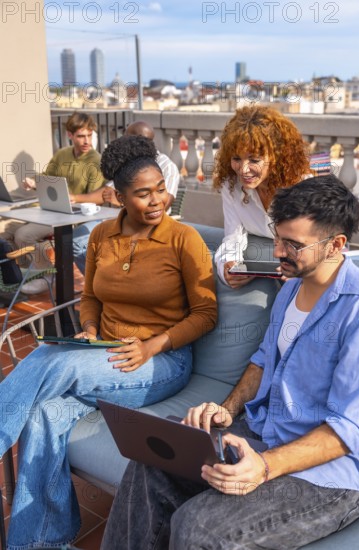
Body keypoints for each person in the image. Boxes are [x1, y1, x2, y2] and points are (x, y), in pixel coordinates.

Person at [101, 175, 359, 550]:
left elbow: (350, 429)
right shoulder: (290, 288)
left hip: (328, 475)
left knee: (198, 528)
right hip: (265, 433)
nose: (278, 252)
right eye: (278, 237)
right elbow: (261, 362)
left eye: (293, 244)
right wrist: (226, 410)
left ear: (336, 244)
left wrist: (266, 465)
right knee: (152, 459)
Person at [0, 135, 217, 549]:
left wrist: (153, 346)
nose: (157, 201)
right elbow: (93, 297)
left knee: (55, 359)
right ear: (118, 196)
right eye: (143, 194)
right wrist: (89, 328)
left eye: (160, 190)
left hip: (160, 362)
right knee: (45, 413)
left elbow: (205, 315)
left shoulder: (183, 240)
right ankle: (41, 542)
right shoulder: (101, 235)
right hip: (104, 355)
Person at [0, 111, 105, 294]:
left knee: (24, 235)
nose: (86, 140)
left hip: (72, 217)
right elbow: (47, 180)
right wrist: (34, 182)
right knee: (5, 232)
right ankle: (27, 273)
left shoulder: (95, 160)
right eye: (81, 136)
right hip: (50, 211)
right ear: (70, 135)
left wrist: (75, 198)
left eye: (89, 135)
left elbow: (98, 196)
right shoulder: (62, 154)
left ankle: (47, 275)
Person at [213, 105, 311, 288]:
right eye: (236, 159)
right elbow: (233, 237)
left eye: (254, 160)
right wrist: (226, 266)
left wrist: (302, 272)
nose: (243, 169)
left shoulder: (304, 186)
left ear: (277, 156)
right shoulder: (231, 186)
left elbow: (323, 243)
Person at [72, 120, 181, 274]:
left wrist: (122, 202)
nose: (122, 139)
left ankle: (113, 281)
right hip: (119, 220)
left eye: (126, 137)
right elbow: (105, 193)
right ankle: (103, 283)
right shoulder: (126, 160)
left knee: (104, 247)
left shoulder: (166, 166)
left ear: (137, 140)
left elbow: (161, 205)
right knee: (78, 238)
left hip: (148, 225)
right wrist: (75, 198)